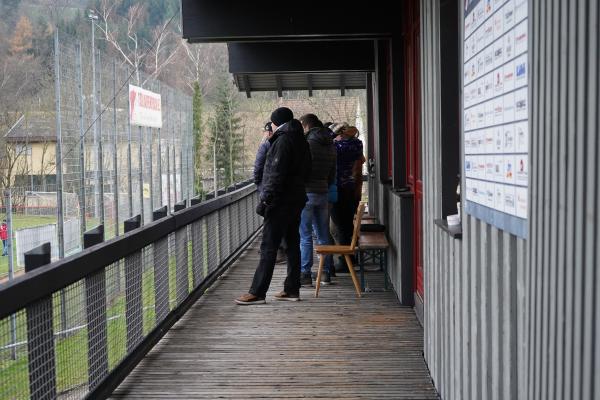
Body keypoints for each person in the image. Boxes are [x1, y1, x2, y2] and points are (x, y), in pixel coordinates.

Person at [235, 107, 311, 305]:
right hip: (296, 200)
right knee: (292, 243)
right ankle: (292, 289)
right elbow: (307, 171)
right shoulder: (301, 140)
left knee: (269, 246)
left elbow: (275, 174)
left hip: (280, 202)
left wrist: (266, 200)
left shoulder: (283, 140)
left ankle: (258, 292)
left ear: (275, 123)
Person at [298, 114, 337, 286]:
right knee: (323, 234)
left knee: (305, 236)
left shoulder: (307, 144)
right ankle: (326, 273)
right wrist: (325, 185)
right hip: (323, 193)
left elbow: (302, 169)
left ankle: (305, 274)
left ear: (305, 126)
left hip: (306, 193)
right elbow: (333, 172)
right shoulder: (330, 144)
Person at [330, 125, 365, 273]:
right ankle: (351, 256)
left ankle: (345, 262)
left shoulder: (336, 145)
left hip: (337, 188)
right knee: (348, 223)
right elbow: (360, 162)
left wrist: (332, 138)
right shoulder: (357, 144)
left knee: (339, 226)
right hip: (351, 188)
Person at [253, 122, 286, 263]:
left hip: (268, 189)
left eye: (265, 132)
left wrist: (259, 184)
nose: (264, 134)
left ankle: (273, 252)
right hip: (283, 189)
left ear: (269, 132)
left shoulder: (266, 145)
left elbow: (258, 167)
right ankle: (282, 249)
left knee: (269, 220)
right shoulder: (286, 144)